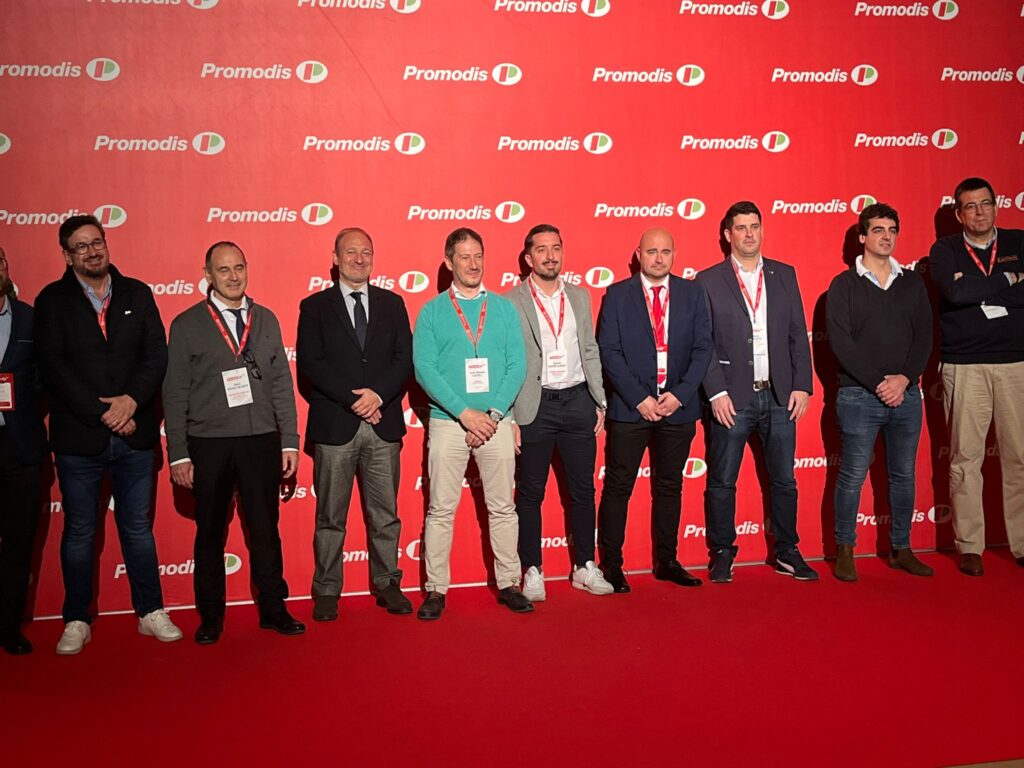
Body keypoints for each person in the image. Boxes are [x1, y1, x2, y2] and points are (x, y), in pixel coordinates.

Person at [35, 215, 182, 655]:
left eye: (96, 242)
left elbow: (156, 355)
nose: (92, 251)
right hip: (80, 440)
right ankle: (76, 618)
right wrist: (107, 413)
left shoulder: (137, 292)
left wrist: (130, 403)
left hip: (135, 437)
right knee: (80, 531)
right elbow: (54, 368)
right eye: (81, 246)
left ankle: (150, 611)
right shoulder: (52, 300)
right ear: (67, 255)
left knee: (137, 529)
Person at [164, 241, 304, 643]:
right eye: (223, 269)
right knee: (210, 533)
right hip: (209, 443)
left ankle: (274, 609)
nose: (233, 276)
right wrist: (179, 453)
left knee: (265, 531)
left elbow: (281, 385)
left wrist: (289, 441)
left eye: (239, 267)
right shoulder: (187, 324)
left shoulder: (266, 319)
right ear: (207, 275)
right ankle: (210, 617)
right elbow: (175, 392)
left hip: (261, 440)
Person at [697, 201, 817, 583]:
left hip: (780, 396)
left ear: (762, 230)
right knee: (722, 481)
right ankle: (722, 551)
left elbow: (798, 333)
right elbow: (703, 343)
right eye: (741, 227)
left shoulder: (785, 274)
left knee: (784, 480)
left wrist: (802, 384)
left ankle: (787, 551)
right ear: (727, 234)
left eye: (754, 226)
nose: (749, 234)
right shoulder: (708, 280)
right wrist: (716, 392)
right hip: (732, 398)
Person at [297, 227, 413, 621]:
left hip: (383, 423)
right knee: (330, 516)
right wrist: (355, 401)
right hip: (336, 425)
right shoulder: (314, 307)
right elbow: (311, 363)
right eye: (351, 252)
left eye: (366, 252)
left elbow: (403, 358)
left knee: (385, 514)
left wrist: (377, 395)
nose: (359, 259)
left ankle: (388, 583)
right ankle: (327, 589)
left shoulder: (393, 304)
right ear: (335, 258)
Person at [412, 227, 529, 620]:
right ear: (449, 262)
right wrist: (465, 413)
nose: (473, 263)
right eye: (464, 256)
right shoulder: (432, 312)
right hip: (449, 422)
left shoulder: (504, 309)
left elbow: (517, 366)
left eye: (478, 255)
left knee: (503, 508)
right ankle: (435, 589)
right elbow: (425, 369)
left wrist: (492, 415)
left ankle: (510, 583)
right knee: (440, 510)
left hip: (497, 422)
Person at [596, 227, 712, 592]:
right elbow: (609, 350)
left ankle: (667, 561)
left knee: (670, 486)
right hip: (631, 409)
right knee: (618, 487)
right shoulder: (617, 295)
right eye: (651, 251)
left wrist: (680, 394)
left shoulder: (693, 293)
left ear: (674, 254)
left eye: (665, 252)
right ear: (638, 254)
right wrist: (638, 398)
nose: (659, 258)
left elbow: (703, 348)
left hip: (677, 408)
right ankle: (611, 566)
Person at [827, 203, 934, 581]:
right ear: (862, 237)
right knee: (852, 475)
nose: (886, 236)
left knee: (903, 476)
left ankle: (902, 548)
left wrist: (904, 379)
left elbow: (924, 336)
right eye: (878, 230)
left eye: (892, 230)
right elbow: (841, 343)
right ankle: (845, 549)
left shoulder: (912, 282)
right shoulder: (843, 285)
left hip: (906, 396)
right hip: (858, 396)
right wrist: (878, 384)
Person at [506, 224, 612, 600]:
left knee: (583, 490)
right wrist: (510, 415)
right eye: (541, 249)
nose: (550, 256)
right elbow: (508, 359)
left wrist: (600, 399)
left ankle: (585, 565)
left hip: (578, 401)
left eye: (556, 248)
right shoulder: (511, 301)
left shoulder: (580, 296)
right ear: (528, 258)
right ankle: (532, 570)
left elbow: (590, 350)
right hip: (534, 405)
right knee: (530, 493)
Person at [930, 177, 1024, 575]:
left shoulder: (1019, 242)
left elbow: (968, 292)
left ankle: (1022, 542)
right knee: (965, 457)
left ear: (996, 206)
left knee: (1020, 457)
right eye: (970, 206)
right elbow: (954, 294)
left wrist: (975, 287)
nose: (980, 212)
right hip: (965, 365)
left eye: (985, 204)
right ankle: (970, 545)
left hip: (1017, 364)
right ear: (959, 214)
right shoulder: (945, 250)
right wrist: (1009, 279)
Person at [0, 248, 47, 655]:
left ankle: (9, 626)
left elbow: (45, 378)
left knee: (18, 545)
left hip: (21, 448)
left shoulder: (30, 318)